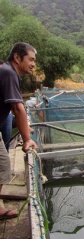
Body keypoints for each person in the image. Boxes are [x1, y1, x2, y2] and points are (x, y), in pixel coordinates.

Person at [0, 42, 37, 220]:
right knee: (2, 165)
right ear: (17, 57)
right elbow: (17, 107)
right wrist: (27, 138)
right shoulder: (8, 73)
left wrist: (22, 125)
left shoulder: (9, 72)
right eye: (30, 59)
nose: (33, 64)